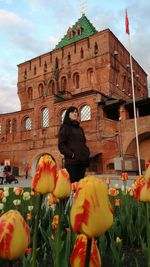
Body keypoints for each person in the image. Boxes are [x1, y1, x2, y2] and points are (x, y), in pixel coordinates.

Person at [58, 106, 90, 183]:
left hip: (82, 161)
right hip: (71, 162)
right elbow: (61, 145)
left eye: (76, 112)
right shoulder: (65, 127)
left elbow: (83, 143)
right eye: (72, 112)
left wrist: (87, 152)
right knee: (72, 185)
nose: (75, 114)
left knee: (80, 185)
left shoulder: (80, 129)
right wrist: (71, 154)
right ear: (68, 115)